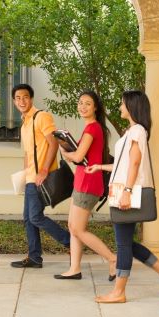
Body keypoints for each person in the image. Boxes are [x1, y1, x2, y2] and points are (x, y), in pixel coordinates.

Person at [85, 90, 159, 303]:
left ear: (132, 106)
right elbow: (123, 164)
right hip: (122, 190)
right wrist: (99, 166)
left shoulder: (137, 130)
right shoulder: (133, 131)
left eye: (122, 104)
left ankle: (119, 291)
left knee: (123, 244)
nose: (120, 107)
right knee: (126, 242)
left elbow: (135, 164)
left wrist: (127, 192)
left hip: (126, 192)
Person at [55, 91, 117, 281]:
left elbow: (79, 157)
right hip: (83, 182)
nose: (82, 106)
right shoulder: (91, 128)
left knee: (78, 229)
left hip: (89, 184)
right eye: (80, 102)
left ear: (95, 108)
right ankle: (74, 268)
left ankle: (112, 259)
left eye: (87, 104)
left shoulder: (92, 129)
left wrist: (65, 153)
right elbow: (82, 158)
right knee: (73, 227)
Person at [10, 84, 71, 268]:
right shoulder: (25, 123)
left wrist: (44, 170)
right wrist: (24, 174)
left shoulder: (41, 117)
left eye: (25, 97)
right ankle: (34, 257)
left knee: (35, 217)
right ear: (14, 101)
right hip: (30, 178)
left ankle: (70, 242)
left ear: (31, 98)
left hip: (40, 177)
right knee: (28, 218)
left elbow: (53, 144)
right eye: (18, 98)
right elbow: (28, 153)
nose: (22, 101)